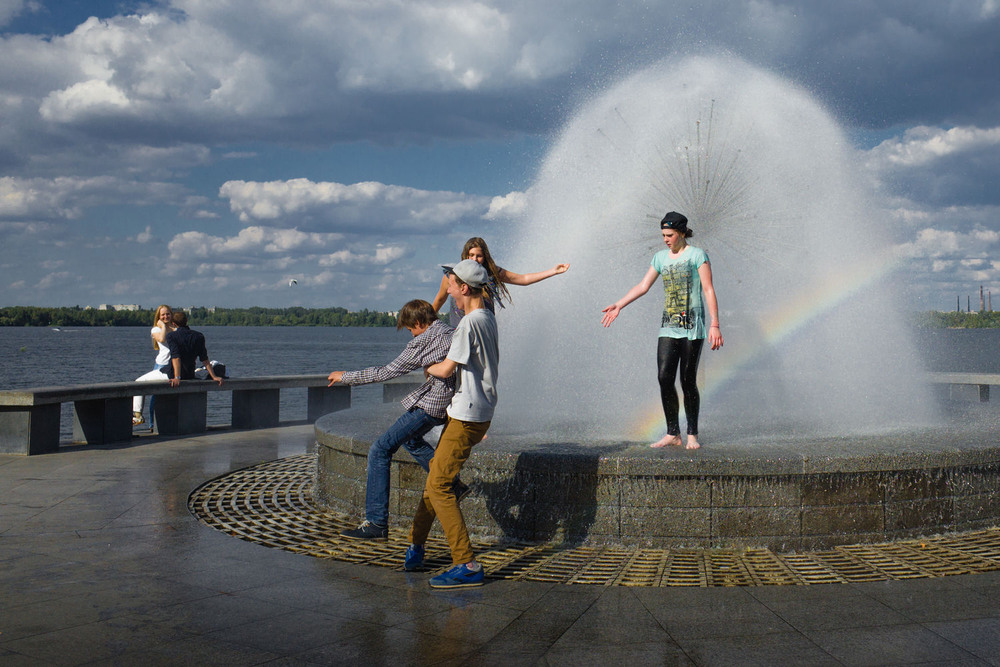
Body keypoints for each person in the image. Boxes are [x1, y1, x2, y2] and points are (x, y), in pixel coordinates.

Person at [327, 299, 460, 541]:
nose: (410, 334)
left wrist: (345, 376)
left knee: (380, 449)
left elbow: (385, 372)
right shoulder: (451, 332)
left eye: (411, 329)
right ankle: (452, 483)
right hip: (446, 405)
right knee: (410, 440)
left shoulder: (422, 342)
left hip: (430, 406)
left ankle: (376, 523)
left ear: (419, 323)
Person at [404, 259, 499, 588]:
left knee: (440, 486)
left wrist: (424, 365)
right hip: (479, 411)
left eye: (451, 280)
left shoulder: (469, 323)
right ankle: (416, 545)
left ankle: (467, 563)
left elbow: (446, 370)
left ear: (463, 287)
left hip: (466, 413)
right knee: (436, 479)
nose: (447, 284)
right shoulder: (487, 316)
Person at [601, 211, 723, 450]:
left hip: (692, 328)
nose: (665, 239)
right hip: (668, 326)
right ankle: (672, 433)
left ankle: (692, 435)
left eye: (669, 235)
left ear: (682, 233)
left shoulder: (698, 255)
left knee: (687, 381)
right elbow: (643, 286)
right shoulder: (659, 258)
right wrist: (619, 304)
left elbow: (708, 289)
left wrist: (715, 325)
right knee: (664, 378)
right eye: (663, 235)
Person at [431, 237, 569, 324]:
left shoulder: (492, 274)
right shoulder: (452, 276)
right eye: (471, 255)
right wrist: (424, 324)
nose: (474, 259)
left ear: (485, 257)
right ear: (465, 255)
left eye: (478, 256)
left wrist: (553, 271)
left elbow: (523, 279)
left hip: (484, 329)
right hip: (459, 330)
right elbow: (439, 301)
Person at [131, 304, 176, 428]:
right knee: (154, 396)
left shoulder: (176, 328)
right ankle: (144, 419)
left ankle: (162, 424)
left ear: (172, 315)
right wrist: (162, 326)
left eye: (168, 314)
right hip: (161, 365)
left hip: (173, 366)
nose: (166, 316)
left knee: (163, 398)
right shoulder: (156, 329)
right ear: (159, 317)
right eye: (163, 315)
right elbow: (161, 339)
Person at [165, 311, 224, 386]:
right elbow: (204, 359)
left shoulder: (171, 336)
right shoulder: (198, 336)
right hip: (189, 373)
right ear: (186, 320)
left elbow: (176, 357)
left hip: (173, 373)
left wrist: (177, 377)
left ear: (173, 323)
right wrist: (214, 376)